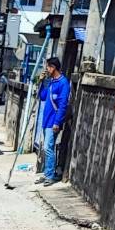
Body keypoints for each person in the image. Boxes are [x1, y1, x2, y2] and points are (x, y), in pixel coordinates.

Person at [37, 57, 71, 187]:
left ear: (53, 67)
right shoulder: (51, 81)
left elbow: (63, 104)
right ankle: (47, 173)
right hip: (46, 120)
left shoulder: (63, 83)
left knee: (48, 147)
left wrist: (57, 122)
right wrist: (42, 82)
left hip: (53, 121)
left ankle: (50, 175)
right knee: (47, 147)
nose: (46, 69)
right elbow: (43, 97)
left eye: (48, 67)